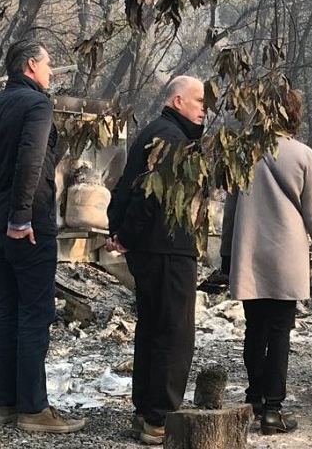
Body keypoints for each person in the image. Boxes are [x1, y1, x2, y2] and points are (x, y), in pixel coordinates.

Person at [0, 39, 85, 433]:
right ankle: (33, 410)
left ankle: (6, 404)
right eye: (47, 64)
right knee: (35, 312)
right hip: (27, 226)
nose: (50, 71)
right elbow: (31, 160)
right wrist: (21, 218)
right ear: (29, 65)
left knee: (7, 309)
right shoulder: (37, 105)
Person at [220, 89, 312, 435]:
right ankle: (273, 411)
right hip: (286, 254)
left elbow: (230, 209)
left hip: (249, 252)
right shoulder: (303, 154)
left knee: (254, 329)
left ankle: (254, 397)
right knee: (279, 333)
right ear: (293, 114)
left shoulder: (243, 152)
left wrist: (226, 255)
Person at [106, 76, 205, 445]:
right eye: (198, 101)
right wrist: (125, 235)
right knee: (174, 332)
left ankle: (145, 409)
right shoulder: (171, 139)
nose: (204, 109)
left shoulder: (154, 131)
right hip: (167, 248)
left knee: (151, 328)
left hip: (153, 248)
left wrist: (119, 230)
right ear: (177, 101)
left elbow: (123, 185)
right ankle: (159, 419)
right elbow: (149, 196)